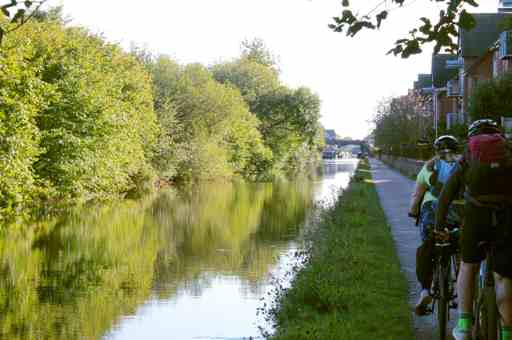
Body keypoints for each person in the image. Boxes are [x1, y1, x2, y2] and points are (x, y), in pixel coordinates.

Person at [435, 119, 512, 340]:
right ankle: (507, 334)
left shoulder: (467, 157)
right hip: (506, 218)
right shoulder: (508, 153)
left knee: (468, 266)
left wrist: (440, 227)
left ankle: (464, 326)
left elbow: (445, 197)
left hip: (476, 217)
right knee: (504, 278)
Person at [408, 134, 461, 315]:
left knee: (428, 245)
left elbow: (416, 196)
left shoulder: (428, 167)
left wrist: (413, 211)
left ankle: (425, 290)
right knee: (462, 246)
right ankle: (463, 286)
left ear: (436, 151)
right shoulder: (463, 165)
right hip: (458, 211)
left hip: (432, 210)